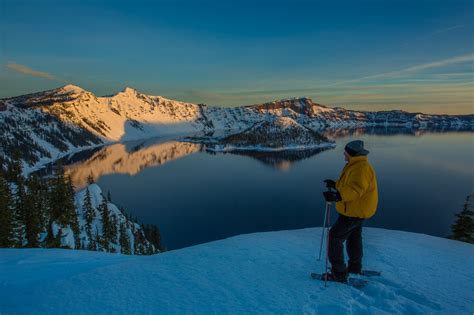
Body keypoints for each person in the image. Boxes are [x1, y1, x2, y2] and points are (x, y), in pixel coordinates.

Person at [321, 140, 378, 282]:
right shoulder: (356, 165)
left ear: (351, 153)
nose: (343, 154)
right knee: (354, 238)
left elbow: (356, 189)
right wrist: (335, 185)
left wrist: (338, 196)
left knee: (334, 238)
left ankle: (338, 274)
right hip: (358, 210)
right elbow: (350, 185)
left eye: (345, 152)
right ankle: (354, 268)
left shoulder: (360, 168)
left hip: (353, 212)